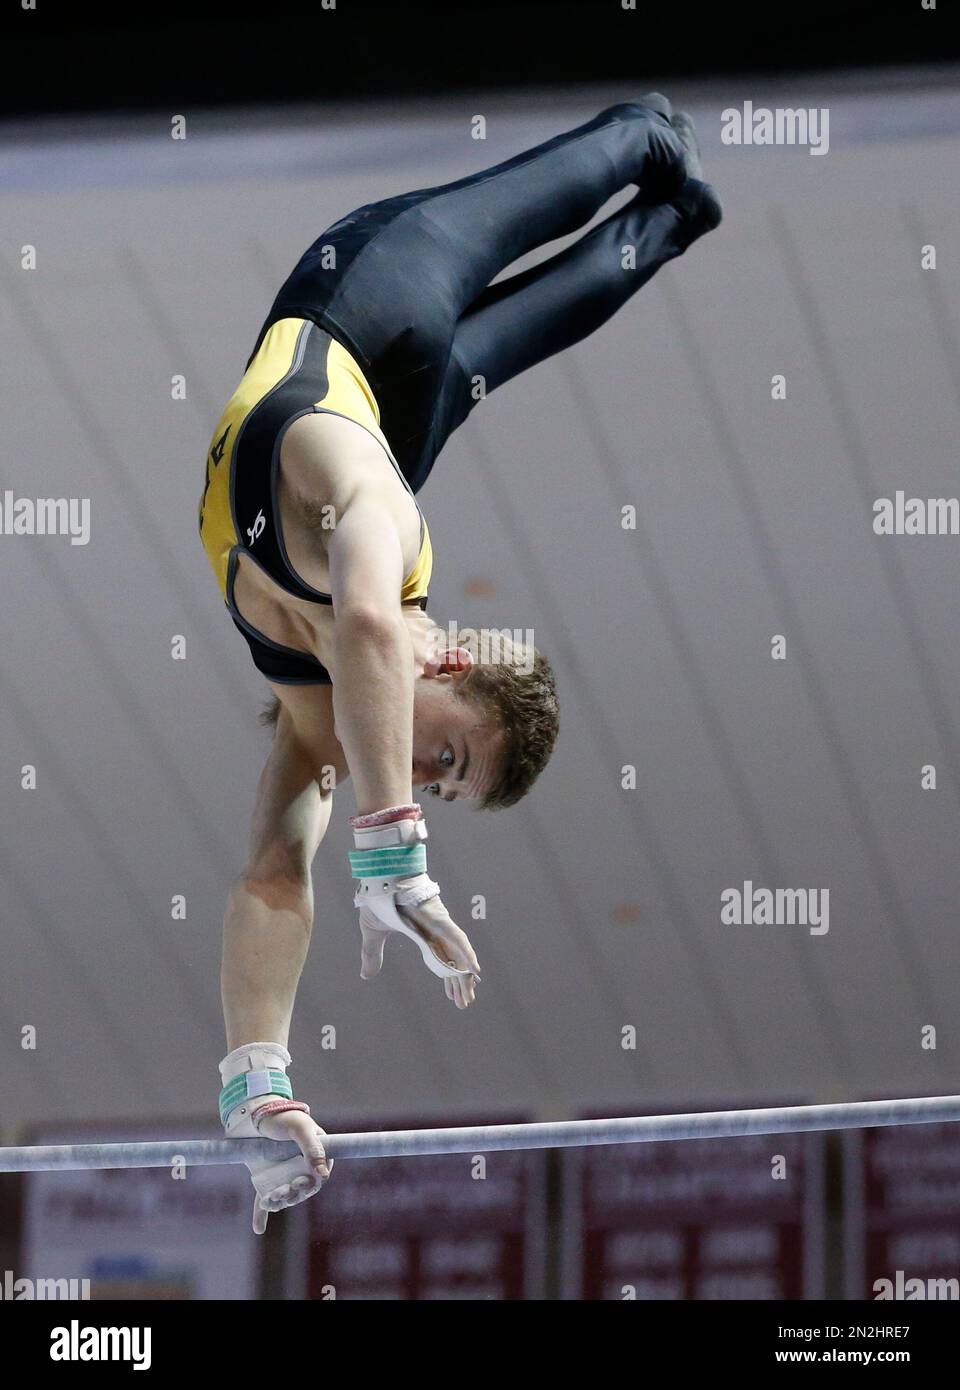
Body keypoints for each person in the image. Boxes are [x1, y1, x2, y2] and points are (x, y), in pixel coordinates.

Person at [198, 95, 721, 1230]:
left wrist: (259, 1081)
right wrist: (393, 854)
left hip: (378, 409)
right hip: (362, 302)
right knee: (522, 228)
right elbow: (377, 627)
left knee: (520, 332)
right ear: (459, 657)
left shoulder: (307, 713)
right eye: (448, 755)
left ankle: (680, 219)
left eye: (437, 786)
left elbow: (272, 881)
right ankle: (648, 137)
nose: (422, 773)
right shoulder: (379, 517)